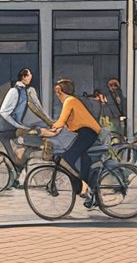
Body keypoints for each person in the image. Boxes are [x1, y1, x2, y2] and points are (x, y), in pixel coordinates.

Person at [37, 78, 102, 207]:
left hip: (87, 133)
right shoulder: (71, 101)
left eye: (56, 91)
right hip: (86, 133)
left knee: (67, 158)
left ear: (59, 90)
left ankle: (83, 187)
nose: (56, 94)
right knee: (83, 162)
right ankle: (91, 194)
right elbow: (63, 126)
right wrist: (52, 132)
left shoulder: (69, 101)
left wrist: (46, 130)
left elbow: (61, 121)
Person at [0, 68, 51, 183]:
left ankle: (16, 172)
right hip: (3, 126)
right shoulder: (14, 91)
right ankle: (13, 167)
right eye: (29, 75)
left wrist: (46, 121)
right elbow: (4, 112)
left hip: (11, 126)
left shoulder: (25, 91)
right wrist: (18, 126)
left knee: (26, 143)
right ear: (23, 77)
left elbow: (35, 108)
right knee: (27, 142)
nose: (31, 77)